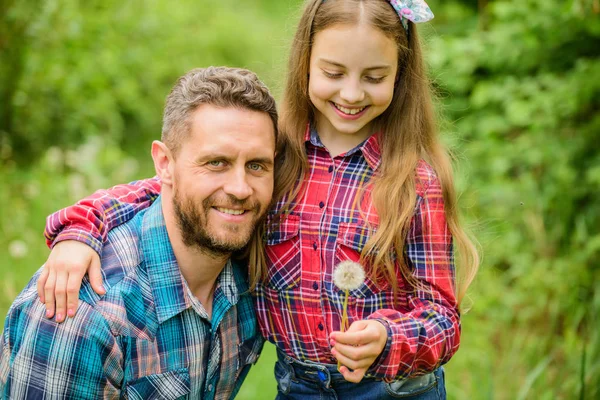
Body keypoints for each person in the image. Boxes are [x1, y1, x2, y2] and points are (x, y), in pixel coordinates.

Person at [36, 0, 480, 398]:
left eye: (374, 77)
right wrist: (81, 229)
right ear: (304, 63)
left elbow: (443, 316)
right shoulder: (276, 157)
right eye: (333, 73)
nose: (351, 93)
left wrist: (390, 338)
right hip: (299, 385)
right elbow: (171, 187)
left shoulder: (414, 181)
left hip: (392, 389)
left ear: (400, 77)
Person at [0, 66, 279, 399]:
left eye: (257, 165)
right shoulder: (83, 315)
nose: (240, 188)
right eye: (216, 162)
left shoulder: (256, 273)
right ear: (164, 164)